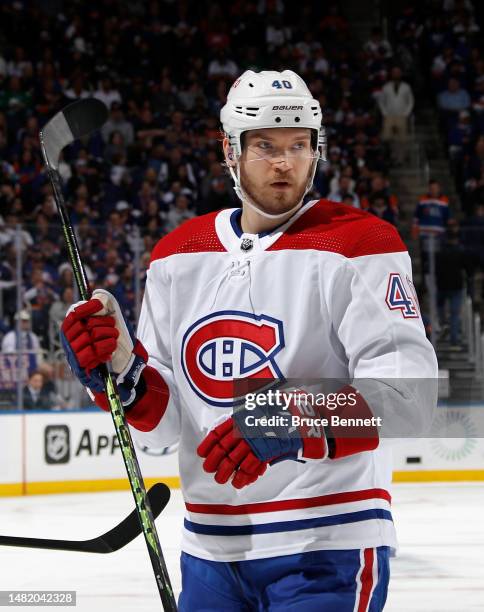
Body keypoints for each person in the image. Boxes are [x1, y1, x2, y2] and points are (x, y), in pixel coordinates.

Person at [60, 70, 438, 611]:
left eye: (299, 145)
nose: (285, 162)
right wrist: (121, 374)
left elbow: (410, 398)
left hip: (326, 544)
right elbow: (161, 430)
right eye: (265, 145)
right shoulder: (176, 255)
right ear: (230, 150)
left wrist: (287, 419)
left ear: (316, 149)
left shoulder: (361, 243)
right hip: (209, 550)